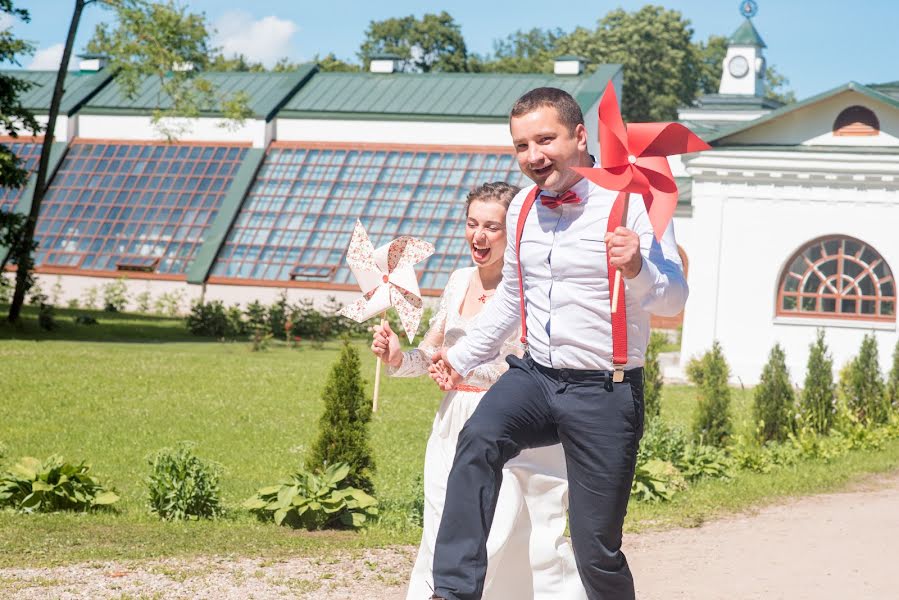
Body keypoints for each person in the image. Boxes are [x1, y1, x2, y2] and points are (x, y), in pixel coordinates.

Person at [427, 88, 688, 600]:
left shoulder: (633, 201)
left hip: (606, 391)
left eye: (545, 139)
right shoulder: (522, 205)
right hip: (537, 377)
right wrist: (457, 358)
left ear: (580, 135)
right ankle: (453, 592)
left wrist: (637, 268)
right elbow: (511, 304)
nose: (533, 156)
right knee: (478, 440)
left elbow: (673, 298)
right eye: (521, 145)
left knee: (596, 548)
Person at [371, 182, 586, 600]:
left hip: (505, 420)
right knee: (441, 524)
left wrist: (467, 370)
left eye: (492, 227)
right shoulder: (458, 280)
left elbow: (533, 362)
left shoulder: (526, 290)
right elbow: (433, 353)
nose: (479, 236)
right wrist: (399, 357)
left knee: (496, 530)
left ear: (513, 233)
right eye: (472, 224)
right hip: (452, 421)